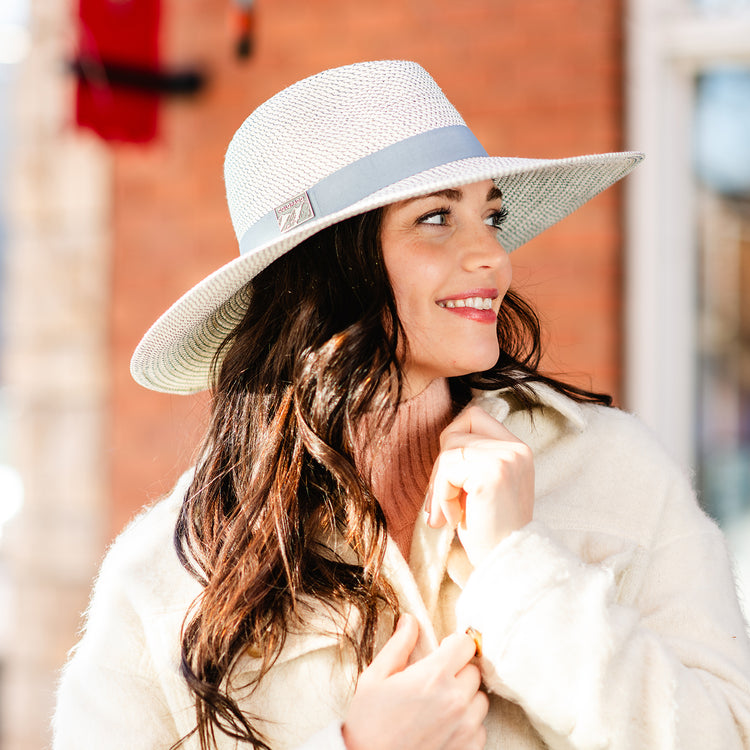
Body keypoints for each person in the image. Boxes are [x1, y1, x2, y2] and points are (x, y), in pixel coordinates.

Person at [53, 60, 750, 750]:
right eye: (438, 218)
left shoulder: (615, 469)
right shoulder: (168, 576)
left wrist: (521, 572)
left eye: (491, 215)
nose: (494, 258)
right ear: (326, 270)